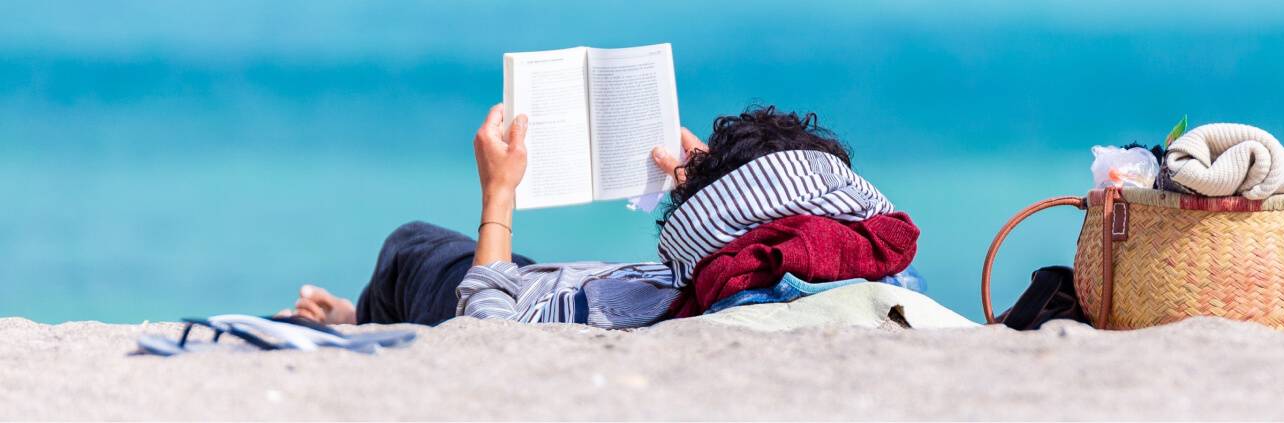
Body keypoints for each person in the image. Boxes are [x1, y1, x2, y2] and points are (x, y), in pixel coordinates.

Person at [285, 104, 918, 327]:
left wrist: (498, 194)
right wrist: (710, 174)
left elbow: (486, 326)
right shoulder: (858, 258)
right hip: (585, 285)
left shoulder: (736, 286)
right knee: (510, 265)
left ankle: (353, 318)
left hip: (529, 300)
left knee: (411, 246)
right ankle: (351, 312)